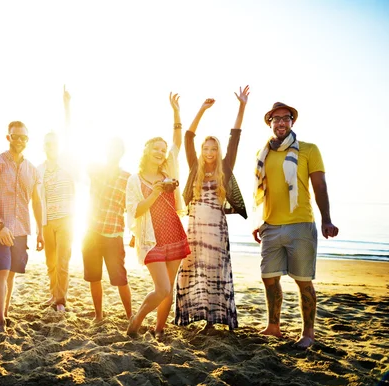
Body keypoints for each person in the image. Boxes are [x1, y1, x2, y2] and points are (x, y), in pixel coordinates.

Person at [252, 101, 339, 349]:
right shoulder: (263, 153)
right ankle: (273, 326)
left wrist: (327, 219)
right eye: (275, 118)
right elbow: (265, 191)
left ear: (292, 122)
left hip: (300, 224)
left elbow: (319, 186)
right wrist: (261, 222)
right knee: (269, 278)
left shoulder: (309, 150)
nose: (280, 122)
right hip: (270, 226)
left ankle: (308, 333)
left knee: (303, 281)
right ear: (270, 123)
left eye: (285, 118)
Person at [175, 86, 250, 334]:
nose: (209, 152)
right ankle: (188, 316)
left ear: (217, 151)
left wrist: (242, 106)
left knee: (215, 272)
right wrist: (202, 110)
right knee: (192, 270)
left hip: (216, 229)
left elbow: (235, 137)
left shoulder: (225, 168)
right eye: (206, 148)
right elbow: (188, 137)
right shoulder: (194, 166)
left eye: (213, 148)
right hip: (195, 227)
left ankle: (213, 319)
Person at [125, 92, 190, 340]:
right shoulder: (135, 179)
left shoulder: (168, 169)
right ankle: (137, 320)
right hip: (151, 238)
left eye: (163, 150)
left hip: (173, 232)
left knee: (168, 289)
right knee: (161, 288)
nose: (161, 152)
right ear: (147, 151)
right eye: (156, 149)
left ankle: (160, 329)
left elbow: (177, 142)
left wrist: (176, 112)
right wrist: (155, 192)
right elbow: (136, 210)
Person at [0, 121, 44, 333]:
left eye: (23, 137)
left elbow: (36, 202)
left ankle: (5, 312)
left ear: (27, 140)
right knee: (2, 270)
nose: (19, 140)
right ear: (8, 137)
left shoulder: (33, 170)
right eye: (15, 136)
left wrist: (40, 231)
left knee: (11, 274)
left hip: (21, 228)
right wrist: (0, 227)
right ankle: (0, 320)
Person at [82, 137, 133, 322]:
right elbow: (78, 152)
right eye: (110, 149)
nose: (113, 153)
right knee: (94, 277)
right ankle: (98, 315)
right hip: (91, 233)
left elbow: (132, 207)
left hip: (114, 235)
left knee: (121, 278)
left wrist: (134, 232)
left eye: (117, 150)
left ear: (121, 153)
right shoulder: (95, 169)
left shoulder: (128, 178)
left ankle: (130, 316)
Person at [37, 87, 76, 312]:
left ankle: (60, 300)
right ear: (44, 147)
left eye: (55, 143)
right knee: (51, 262)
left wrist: (67, 106)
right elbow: (36, 201)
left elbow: (69, 133)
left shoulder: (67, 163)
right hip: (47, 221)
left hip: (66, 221)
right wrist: (39, 229)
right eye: (48, 144)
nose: (52, 147)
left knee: (62, 262)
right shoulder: (39, 170)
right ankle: (54, 296)